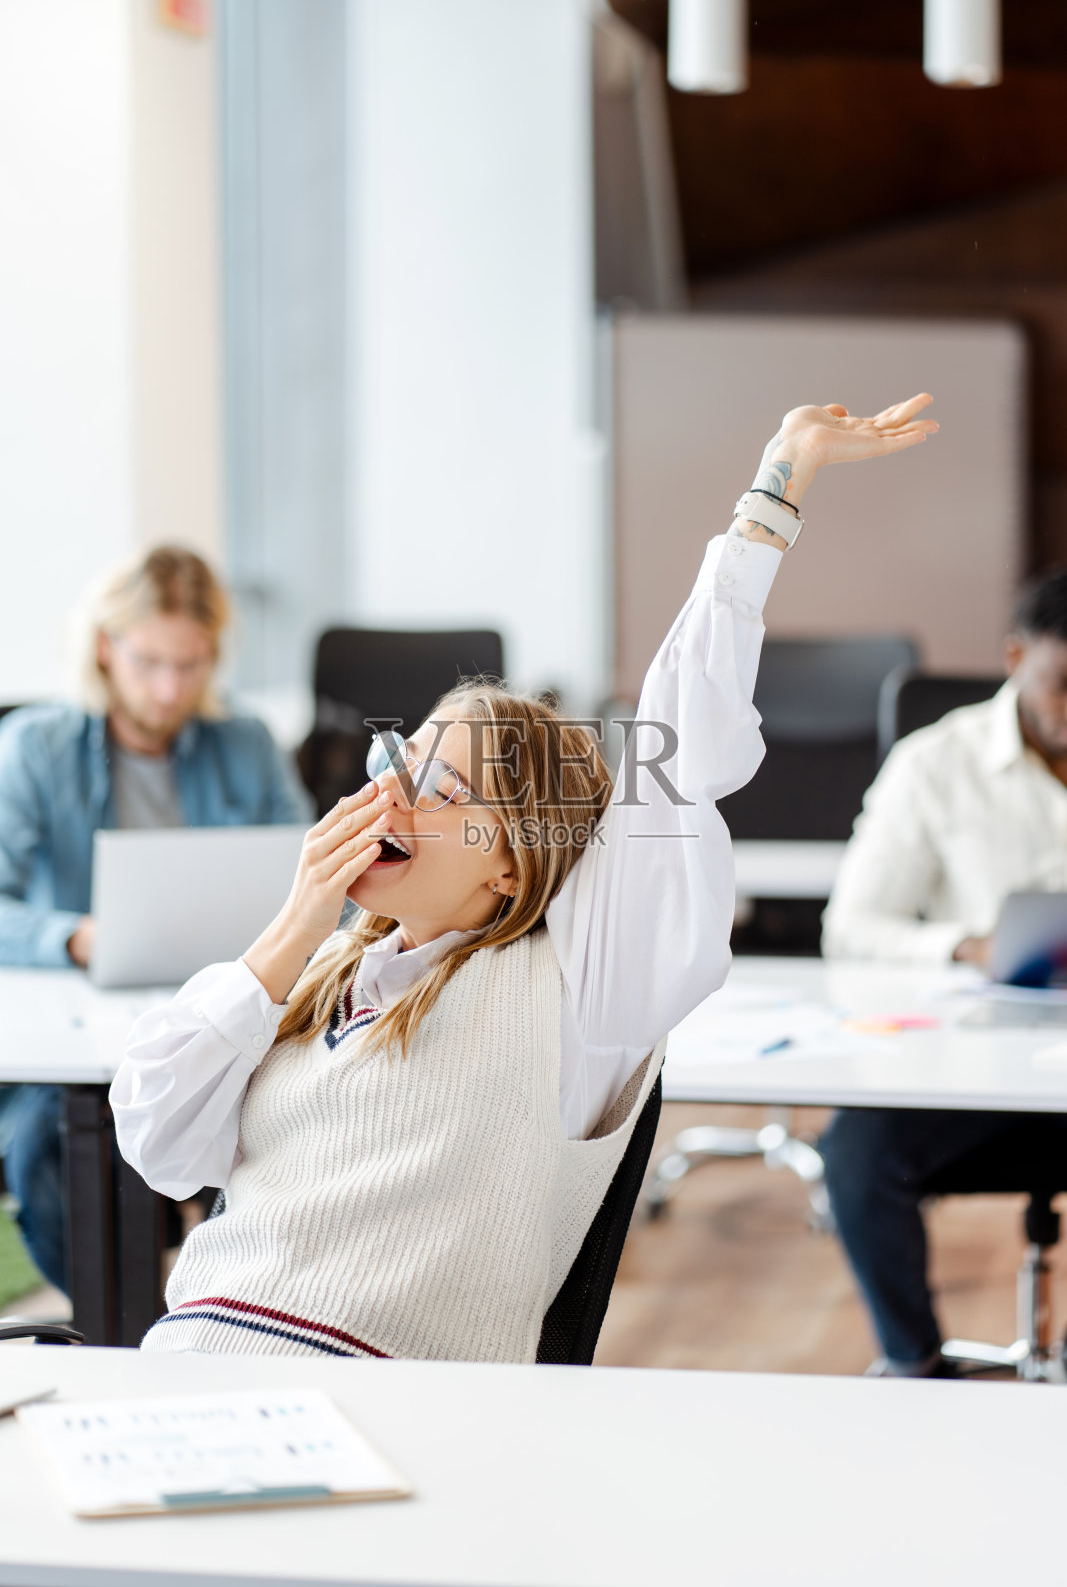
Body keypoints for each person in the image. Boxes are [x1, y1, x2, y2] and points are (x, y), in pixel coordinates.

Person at [111, 395, 936, 1363]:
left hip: (382, 1415)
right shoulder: (315, 974)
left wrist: (774, 486)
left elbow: (678, 751)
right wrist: (291, 933)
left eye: (442, 786)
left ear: (512, 860)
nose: (394, 797)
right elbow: (157, 1138)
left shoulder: (577, 988)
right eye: (399, 763)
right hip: (184, 1378)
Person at [0, 546, 311, 1294]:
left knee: (297, 1117)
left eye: (192, 665)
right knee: (52, 1150)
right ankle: (132, 1331)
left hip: (225, 1011)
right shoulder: (37, 749)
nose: (171, 688)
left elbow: (306, 878)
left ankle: (225, 1300)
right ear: (107, 649)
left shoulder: (247, 745)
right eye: (150, 663)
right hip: (83, 1026)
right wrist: (75, 936)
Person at [820, 568, 1067, 1375]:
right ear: (1014, 657)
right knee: (856, 1153)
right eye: (1063, 684)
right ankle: (915, 1366)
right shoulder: (934, 765)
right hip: (979, 1064)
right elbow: (851, 929)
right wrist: (966, 946)